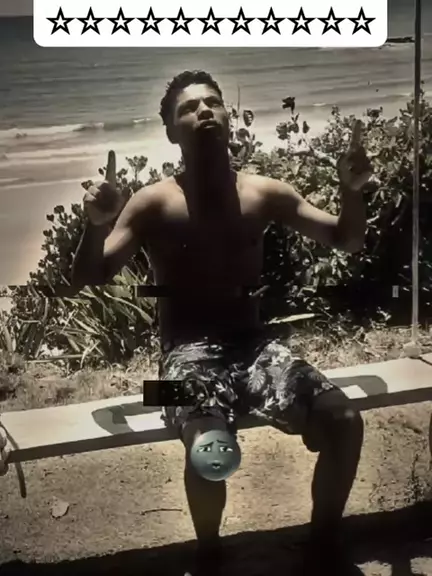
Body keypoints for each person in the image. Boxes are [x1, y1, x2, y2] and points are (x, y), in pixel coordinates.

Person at [70, 70, 371, 575]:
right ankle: (209, 553)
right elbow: (90, 276)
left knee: (344, 421)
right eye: (188, 108)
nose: (204, 111)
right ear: (171, 131)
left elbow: (347, 239)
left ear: (229, 118)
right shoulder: (153, 202)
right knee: (212, 447)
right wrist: (94, 227)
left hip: (256, 348)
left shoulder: (263, 193)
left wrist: (351, 190)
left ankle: (323, 547)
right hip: (180, 360)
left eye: (212, 102)